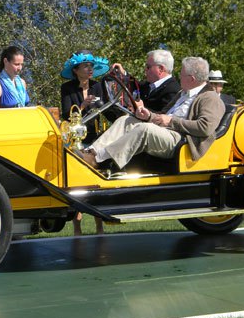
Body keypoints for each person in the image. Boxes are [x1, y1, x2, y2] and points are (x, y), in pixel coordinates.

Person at [78, 57, 225, 170]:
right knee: (127, 120)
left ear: (192, 79)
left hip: (180, 140)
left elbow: (205, 127)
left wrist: (171, 122)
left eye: (182, 74)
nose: (179, 76)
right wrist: (148, 116)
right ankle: (90, 152)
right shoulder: (183, 94)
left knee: (145, 129)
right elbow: (163, 115)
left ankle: (99, 161)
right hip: (164, 131)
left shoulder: (210, 98)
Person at [60, 49, 109, 236]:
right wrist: (82, 106)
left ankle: (99, 225)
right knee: (78, 183)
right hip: (76, 140)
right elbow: (66, 115)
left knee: (95, 181)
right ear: (75, 69)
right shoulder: (68, 89)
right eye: (86, 65)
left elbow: (105, 109)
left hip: (95, 137)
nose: (90, 69)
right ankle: (77, 227)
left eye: (91, 65)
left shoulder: (97, 86)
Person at [111, 49, 181, 113]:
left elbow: (164, 117)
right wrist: (124, 73)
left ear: (161, 69)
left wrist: (141, 108)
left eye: (148, 67)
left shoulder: (173, 90)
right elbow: (136, 85)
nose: (145, 69)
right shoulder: (151, 85)